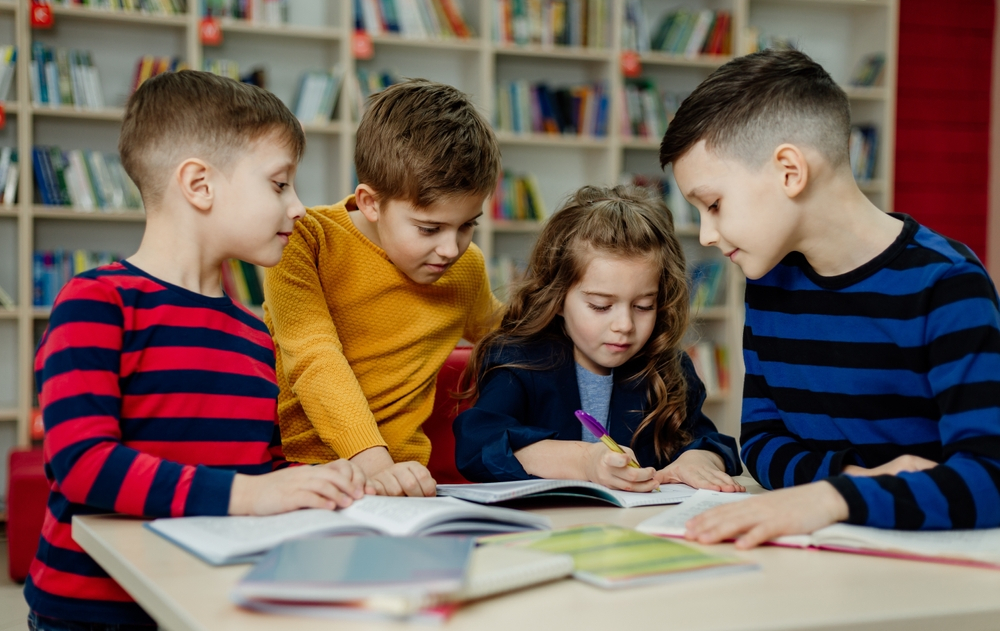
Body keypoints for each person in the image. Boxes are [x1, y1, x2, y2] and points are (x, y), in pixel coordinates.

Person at [25, 71, 369, 630]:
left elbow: (262, 471)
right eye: (281, 184)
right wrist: (254, 495)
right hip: (93, 613)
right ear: (199, 185)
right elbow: (81, 464)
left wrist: (319, 487)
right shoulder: (96, 303)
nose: (300, 208)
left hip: (214, 601)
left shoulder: (257, 336)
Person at [659, 48, 1000, 548]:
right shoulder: (769, 284)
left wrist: (830, 497)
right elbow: (760, 442)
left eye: (713, 204)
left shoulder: (947, 284)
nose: (707, 235)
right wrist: (856, 478)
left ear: (790, 172)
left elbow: (989, 480)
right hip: (818, 554)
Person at [264, 79, 502, 496]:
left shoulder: (467, 268)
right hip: (304, 470)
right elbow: (313, 357)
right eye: (430, 228)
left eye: (467, 225)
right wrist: (375, 464)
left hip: (408, 483)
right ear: (371, 203)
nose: (451, 248)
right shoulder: (305, 240)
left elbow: (510, 337)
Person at [453, 185, 743, 491]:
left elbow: (713, 443)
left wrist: (697, 461)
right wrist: (585, 461)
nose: (624, 325)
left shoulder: (668, 367)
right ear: (558, 298)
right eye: (600, 306)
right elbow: (479, 445)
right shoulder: (518, 360)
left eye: (644, 306)